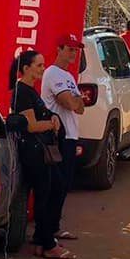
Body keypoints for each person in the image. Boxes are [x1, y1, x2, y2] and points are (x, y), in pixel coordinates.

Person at [9, 51, 74, 259]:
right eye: (38, 65)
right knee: (45, 195)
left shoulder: (31, 91)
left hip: (42, 151)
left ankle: (41, 239)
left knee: (55, 188)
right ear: (26, 68)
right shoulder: (22, 92)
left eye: (43, 65)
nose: (42, 69)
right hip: (34, 152)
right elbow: (31, 125)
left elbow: (42, 113)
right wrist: (51, 124)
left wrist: (53, 116)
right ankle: (47, 243)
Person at [41, 34, 85, 241]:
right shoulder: (53, 73)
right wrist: (76, 99)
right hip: (59, 137)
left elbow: (80, 108)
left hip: (70, 135)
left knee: (64, 184)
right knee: (56, 185)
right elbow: (70, 103)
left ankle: (54, 227)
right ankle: (47, 232)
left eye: (76, 50)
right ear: (59, 49)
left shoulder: (68, 76)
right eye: (69, 49)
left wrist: (75, 100)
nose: (73, 54)